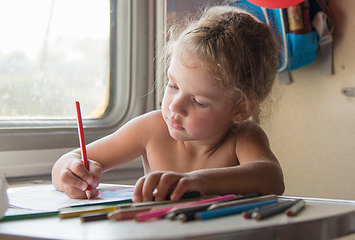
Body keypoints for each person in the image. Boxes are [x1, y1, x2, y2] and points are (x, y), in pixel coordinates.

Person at [52, 5, 285, 203]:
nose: (175, 107)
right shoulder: (151, 129)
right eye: (173, 86)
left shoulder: (243, 138)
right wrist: (71, 172)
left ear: (240, 109)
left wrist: (197, 181)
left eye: (198, 101)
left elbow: (272, 178)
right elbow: (67, 160)